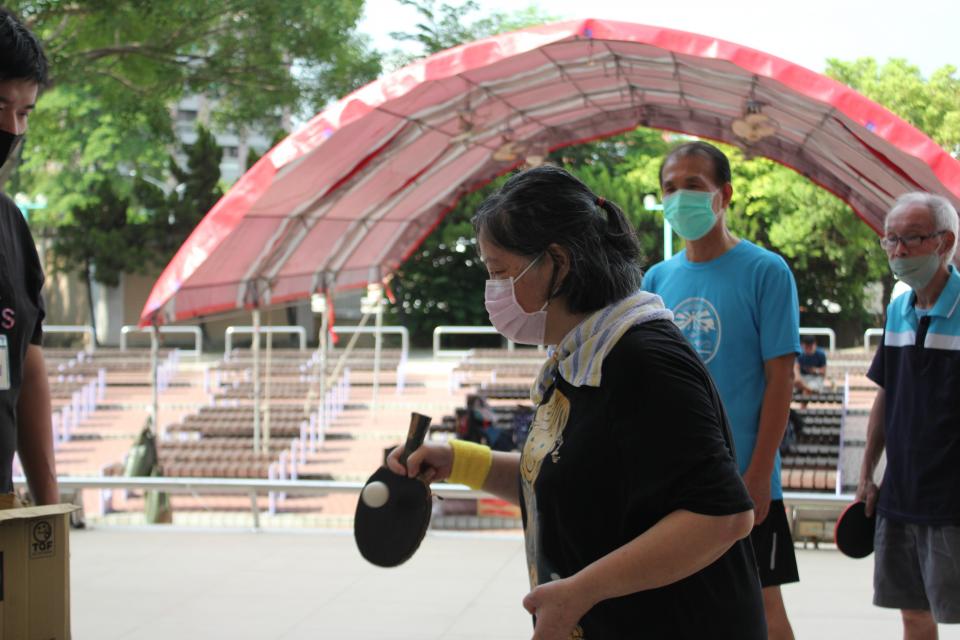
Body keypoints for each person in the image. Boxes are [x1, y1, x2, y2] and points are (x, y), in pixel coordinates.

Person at [388, 165, 765, 638]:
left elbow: (722, 516)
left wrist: (580, 592)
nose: (493, 291)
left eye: (500, 272)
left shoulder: (644, 360)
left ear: (558, 263)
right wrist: (456, 461)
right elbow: (567, 480)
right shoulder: (582, 357)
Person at [641, 141, 800, 639]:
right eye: (670, 188)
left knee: (764, 609)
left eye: (693, 185)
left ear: (724, 194)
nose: (679, 198)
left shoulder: (766, 271)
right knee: (678, 611)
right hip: (674, 481)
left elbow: (780, 380)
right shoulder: (656, 279)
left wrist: (759, 474)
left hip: (743, 478)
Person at [857, 192, 960, 637]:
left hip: (952, 502)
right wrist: (867, 473)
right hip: (899, 497)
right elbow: (886, 394)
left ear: (945, 242)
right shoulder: (898, 309)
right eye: (890, 239)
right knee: (914, 615)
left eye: (911, 238)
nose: (898, 251)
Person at [0, 8, 58, 506]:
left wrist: (49, 512)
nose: (10, 126)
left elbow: (27, 360)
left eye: (22, 113)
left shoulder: (10, 224)